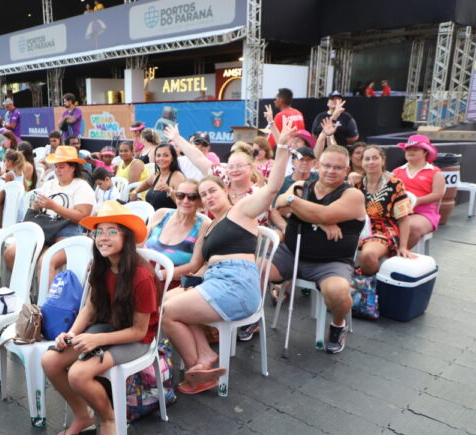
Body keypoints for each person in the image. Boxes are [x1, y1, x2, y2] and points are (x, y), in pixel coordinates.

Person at [159, 120, 293, 395]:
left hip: (238, 284)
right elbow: (197, 264)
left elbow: (272, 188)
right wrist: (167, 276)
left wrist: (282, 148)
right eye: (203, 194)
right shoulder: (209, 226)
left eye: (213, 191)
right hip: (215, 280)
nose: (208, 197)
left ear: (225, 190)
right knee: (167, 300)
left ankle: (197, 367)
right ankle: (205, 356)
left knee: (169, 312)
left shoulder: (242, 210)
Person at [41, 200, 158, 435]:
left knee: (78, 374)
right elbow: (91, 307)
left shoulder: (141, 276)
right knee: (50, 361)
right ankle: (83, 416)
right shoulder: (101, 265)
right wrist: (72, 334)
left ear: (126, 236)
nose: (103, 237)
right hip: (106, 327)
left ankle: (109, 420)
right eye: (99, 232)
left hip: (135, 339)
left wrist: (97, 339)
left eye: (111, 231)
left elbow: (139, 331)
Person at [271, 144, 366, 354]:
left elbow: (323, 214)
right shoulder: (302, 186)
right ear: (318, 166)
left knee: (338, 292)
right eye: (327, 165)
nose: (331, 171)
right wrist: (320, 220)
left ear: (346, 170)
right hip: (292, 253)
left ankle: (338, 325)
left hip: (331, 262)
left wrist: (294, 201)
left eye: (338, 167)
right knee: (255, 271)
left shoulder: (353, 195)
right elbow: (279, 206)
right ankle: (251, 319)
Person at [5, 146, 94, 278]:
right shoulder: (49, 184)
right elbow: (38, 209)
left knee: (46, 261)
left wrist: (53, 206)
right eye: (56, 166)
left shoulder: (82, 186)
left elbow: (82, 217)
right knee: (10, 253)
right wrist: (37, 206)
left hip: (68, 231)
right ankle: (25, 287)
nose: (57, 170)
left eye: (62, 167)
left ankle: (47, 292)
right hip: (45, 229)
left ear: (73, 168)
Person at [355, 145, 415, 276]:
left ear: (383, 160)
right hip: (356, 228)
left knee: (368, 256)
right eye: (367, 159)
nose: (371, 162)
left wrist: (403, 246)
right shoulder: (356, 183)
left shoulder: (395, 184)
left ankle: (368, 283)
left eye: (375, 158)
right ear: (362, 163)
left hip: (382, 230)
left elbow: (403, 219)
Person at [144, 179, 209, 286]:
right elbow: (140, 244)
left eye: (192, 197)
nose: (185, 201)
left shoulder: (203, 226)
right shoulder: (161, 214)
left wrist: (158, 275)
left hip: (169, 281)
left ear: (199, 200)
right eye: (180, 195)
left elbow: (194, 265)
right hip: (143, 271)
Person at [392, 135, 445, 249]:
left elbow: (438, 195)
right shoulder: (396, 172)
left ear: (425, 152)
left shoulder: (435, 173)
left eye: (415, 149)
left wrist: (417, 201)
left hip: (424, 213)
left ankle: (398, 254)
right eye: (408, 149)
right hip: (398, 212)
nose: (410, 151)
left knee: (411, 227)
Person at [131, 143, 185, 210]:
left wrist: (170, 191)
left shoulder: (177, 176)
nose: (161, 158)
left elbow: (183, 204)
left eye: (166, 155)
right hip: (151, 214)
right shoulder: (155, 175)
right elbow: (146, 183)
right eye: (158, 155)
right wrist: (135, 192)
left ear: (172, 158)